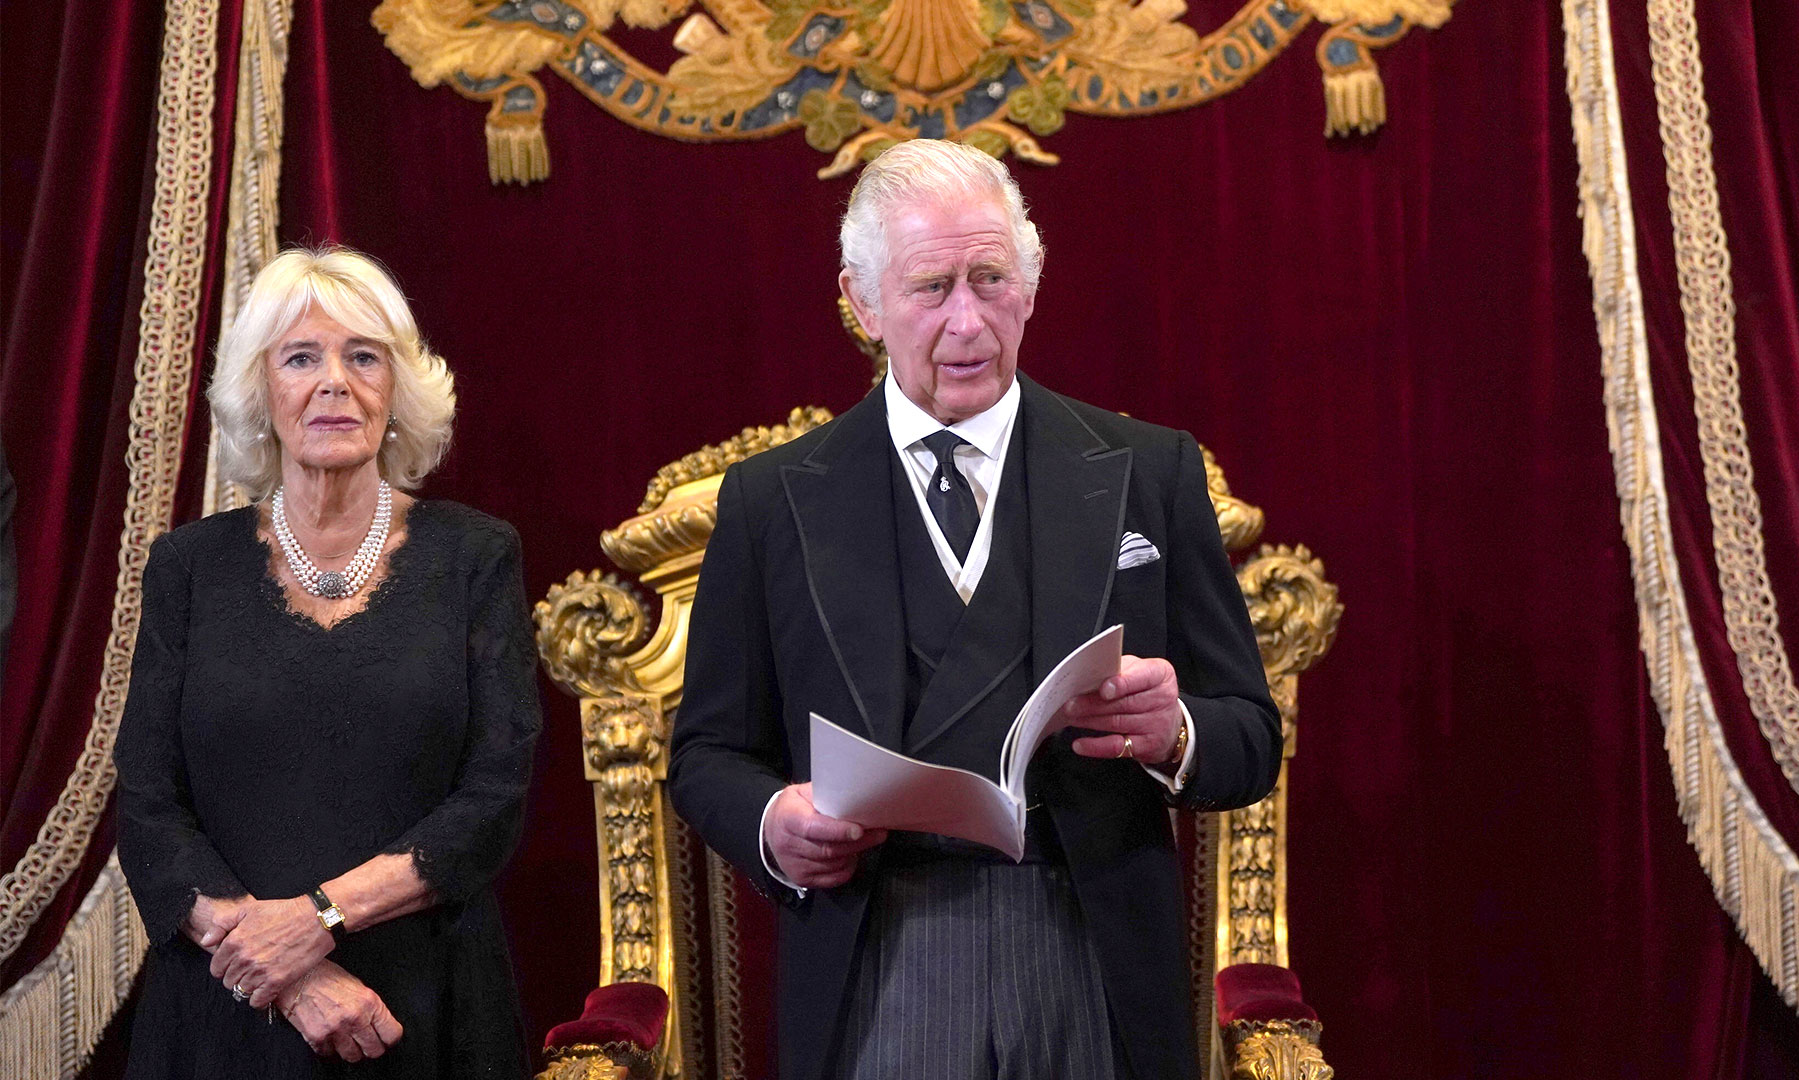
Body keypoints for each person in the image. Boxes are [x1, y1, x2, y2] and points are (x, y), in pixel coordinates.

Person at [667, 140, 1282, 1080]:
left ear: (1031, 286)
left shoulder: (1149, 472)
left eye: (991, 278)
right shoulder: (771, 501)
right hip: (880, 949)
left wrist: (1177, 731)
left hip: (1093, 949)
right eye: (932, 287)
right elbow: (707, 754)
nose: (969, 320)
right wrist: (772, 822)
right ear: (862, 302)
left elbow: (1250, 739)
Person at [114, 247, 540, 1077]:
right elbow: (149, 807)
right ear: (261, 393)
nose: (334, 382)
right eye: (301, 357)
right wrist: (287, 972)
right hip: (224, 1011)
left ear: (398, 389)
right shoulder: (187, 568)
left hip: (425, 1009)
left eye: (363, 356)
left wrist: (316, 920)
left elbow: (493, 797)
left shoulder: (476, 557)